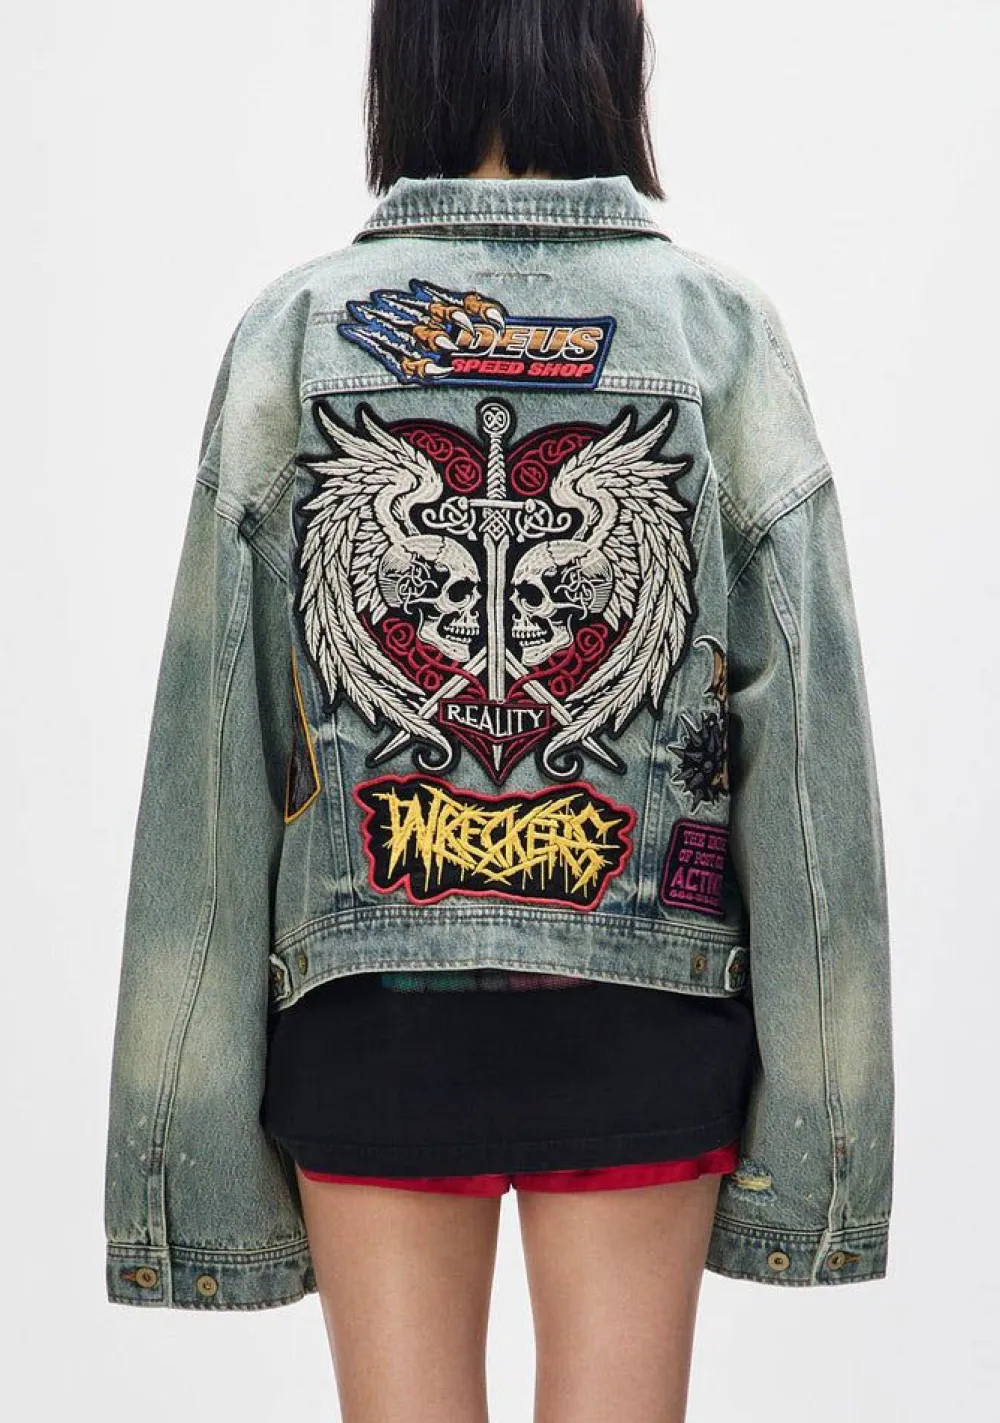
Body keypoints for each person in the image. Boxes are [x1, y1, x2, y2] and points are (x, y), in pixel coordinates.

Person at [103, 2, 895, 1421]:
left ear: (407, 56)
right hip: (641, 1002)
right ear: (609, 53)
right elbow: (806, 765)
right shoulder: (716, 334)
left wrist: (185, 1136)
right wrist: (826, 1131)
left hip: (374, 1014)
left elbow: (216, 752)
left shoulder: (299, 335)